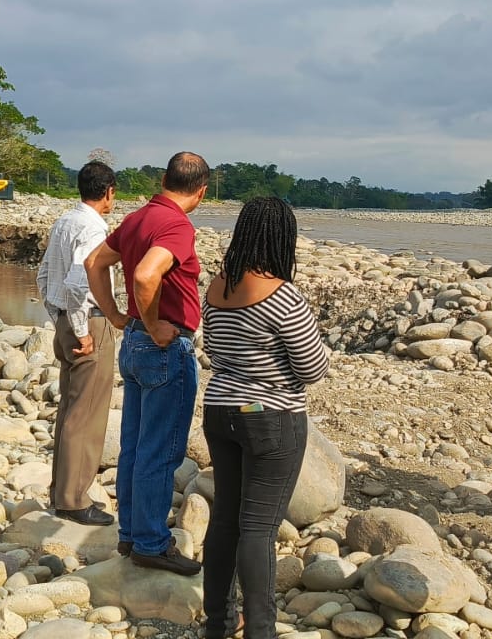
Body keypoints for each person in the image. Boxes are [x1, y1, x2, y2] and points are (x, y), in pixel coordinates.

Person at [199, 197, 330, 639]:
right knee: (258, 528)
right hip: (270, 416)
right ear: (283, 239)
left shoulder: (217, 288)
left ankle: (218, 621)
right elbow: (312, 369)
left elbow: (214, 350)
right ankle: (260, 629)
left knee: (225, 520)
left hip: (220, 409)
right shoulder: (283, 295)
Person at [85, 151, 211, 576]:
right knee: (160, 450)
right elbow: (144, 275)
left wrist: (117, 315)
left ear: (163, 179)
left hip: (135, 342)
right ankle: (152, 543)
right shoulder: (176, 224)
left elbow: (94, 263)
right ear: (201, 191)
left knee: (136, 447)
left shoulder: (138, 217)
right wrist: (156, 325)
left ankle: (131, 533)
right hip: (162, 346)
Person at [35, 161, 119, 526]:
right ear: (109, 192)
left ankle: (63, 493)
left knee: (71, 409)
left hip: (66, 320)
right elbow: (77, 282)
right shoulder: (94, 227)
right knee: (87, 414)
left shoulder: (64, 221)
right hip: (89, 322)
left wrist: (59, 318)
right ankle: (74, 499)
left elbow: (44, 276)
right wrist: (83, 330)